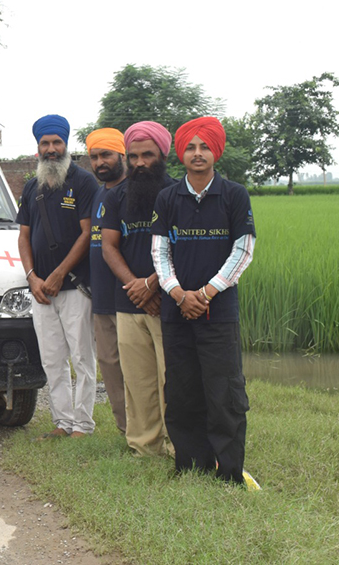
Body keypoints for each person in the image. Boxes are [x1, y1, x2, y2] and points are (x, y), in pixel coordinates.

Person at [151, 117, 256, 484]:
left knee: (224, 392)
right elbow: (160, 252)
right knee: (181, 391)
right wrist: (179, 294)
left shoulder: (234, 195)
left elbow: (242, 251)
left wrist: (207, 292)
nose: (198, 153)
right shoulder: (167, 198)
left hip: (218, 313)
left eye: (204, 147)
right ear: (181, 153)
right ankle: (190, 467)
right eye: (191, 147)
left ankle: (228, 472)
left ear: (216, 152)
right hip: (177, 312)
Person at [16, 115, 98, 439]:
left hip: (76, 286)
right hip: (41, 291)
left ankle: (83, 425)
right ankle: (63, 422)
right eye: (45, 144)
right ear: (38, 147)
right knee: (52, 359)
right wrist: (32, 278)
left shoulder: (84, 182)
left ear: (66, 144)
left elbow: (88, 233)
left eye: (56, 143)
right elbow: (23, 236)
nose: (51, 149)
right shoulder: (31, 187)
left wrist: (59, 273)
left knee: (82, 358)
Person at [101, 122, 177, 457]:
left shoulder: (177, 194)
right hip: (129, 301)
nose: (140, 163)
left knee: (172, 378)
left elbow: (183, 248)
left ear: (163, 155)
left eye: (148, 155)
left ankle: (178, 446)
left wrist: (152, 284)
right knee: (138, 381)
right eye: (133, 156)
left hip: (169, 301)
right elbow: (109, 246)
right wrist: (136, 286)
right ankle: (145, 448)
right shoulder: (116, 196)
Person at [86, 127, 127, 434]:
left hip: (131, 298)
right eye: (94, 156)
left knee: (138, 368)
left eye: (106, 155)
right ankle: (126, 429)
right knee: (110, 365)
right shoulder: (98, 193)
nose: (100, 162)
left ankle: (148, 429)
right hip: (101, 298)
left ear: (122, 155)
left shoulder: (135, 191)